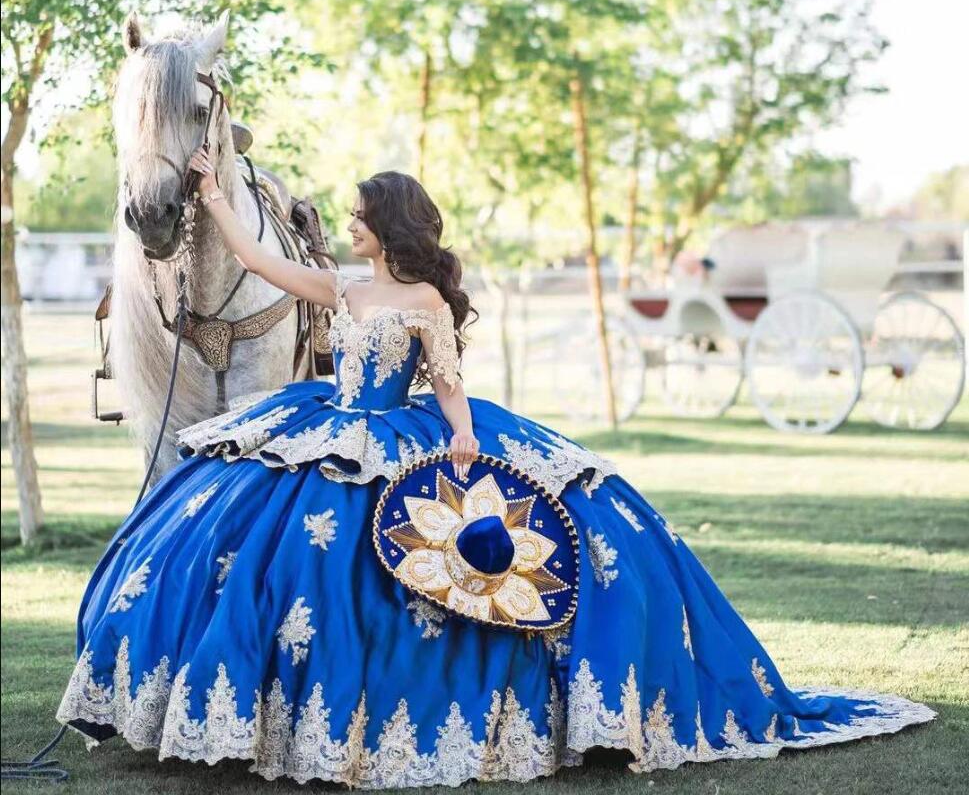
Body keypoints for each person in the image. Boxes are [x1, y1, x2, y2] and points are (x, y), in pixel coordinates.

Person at [56, 155, 934, 788]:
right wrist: (211, 196)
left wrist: (466, 443)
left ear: (390, 223)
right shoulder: (344, 289)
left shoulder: (423, 302)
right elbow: (257, 260)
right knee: (239, 533)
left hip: (410, 430)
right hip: (328, 423)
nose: (349, 222)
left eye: (361, 214)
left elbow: (447, 382)